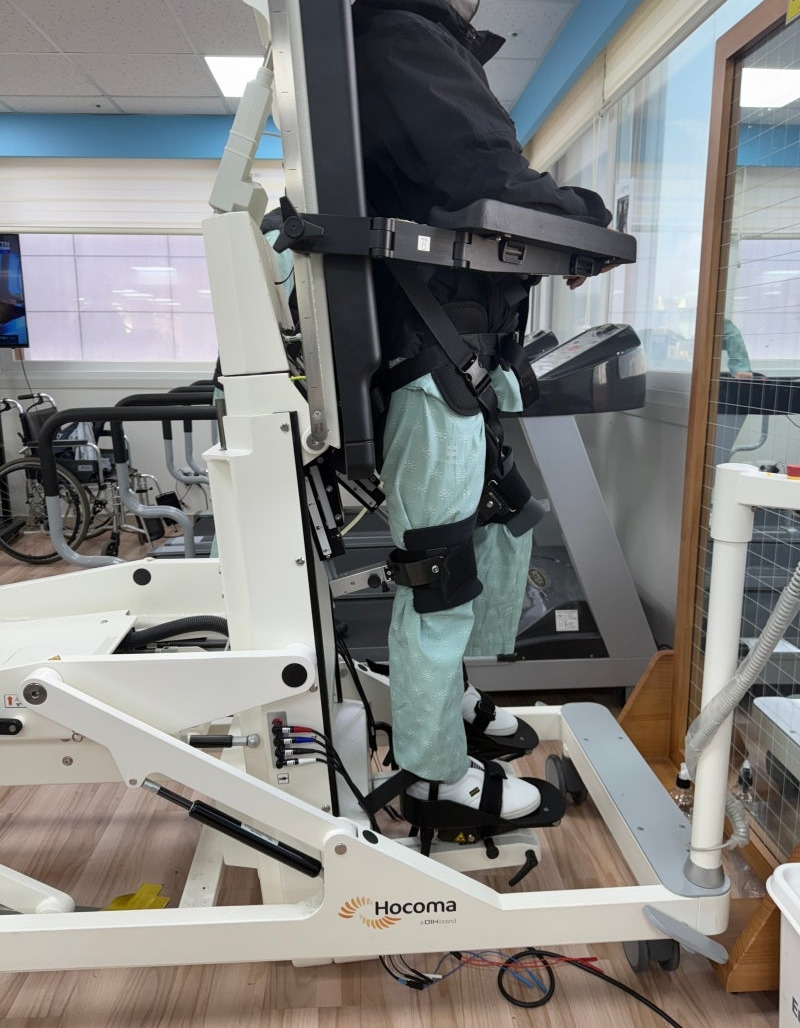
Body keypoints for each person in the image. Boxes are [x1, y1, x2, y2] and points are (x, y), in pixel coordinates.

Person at [351, 0, 613, 826]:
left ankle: (451, 699)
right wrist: (584, 215)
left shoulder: (417, 40)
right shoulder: (403, 36)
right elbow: (486, 179)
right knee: (438, 575)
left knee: (508, 521)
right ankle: (432, 777)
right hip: (432, 355)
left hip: (458, 355)